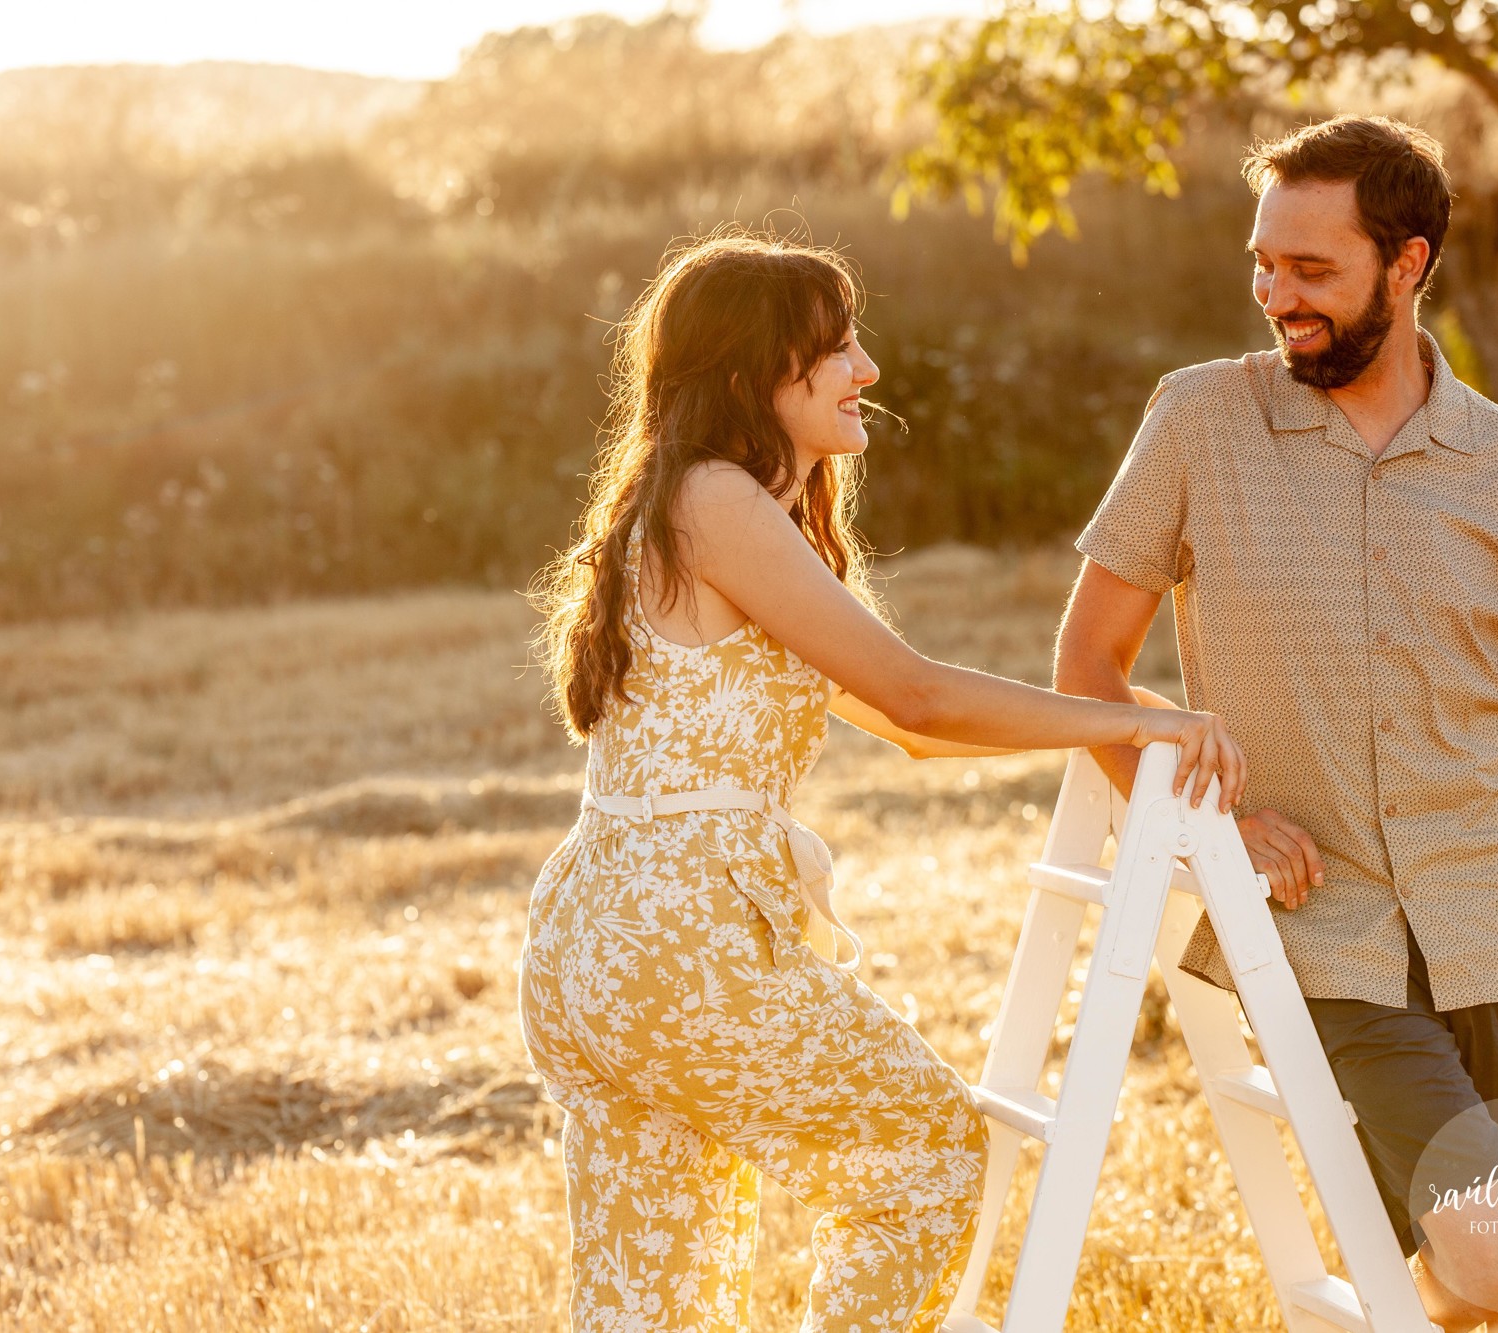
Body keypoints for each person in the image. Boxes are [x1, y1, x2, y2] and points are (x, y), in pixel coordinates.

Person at [519, 231, 1245, 1333]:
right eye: (836, 349)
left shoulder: (690, 505)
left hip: (605, 937)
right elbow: (914, 696)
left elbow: (913, 728)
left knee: (648, 1291)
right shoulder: (716, 501)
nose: (867, 371)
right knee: (930, 1151)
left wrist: (1131, 724)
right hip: (676, 934)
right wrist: (1118, 713)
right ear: (750, 377)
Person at [1054, 115, 1498, 1331]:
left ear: (1408, 263)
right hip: (1316, 927)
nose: (1276, 296)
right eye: (1261, 263)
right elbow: (1086, 664)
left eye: (1311, 269)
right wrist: (1210, 822)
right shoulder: (1195, 422)